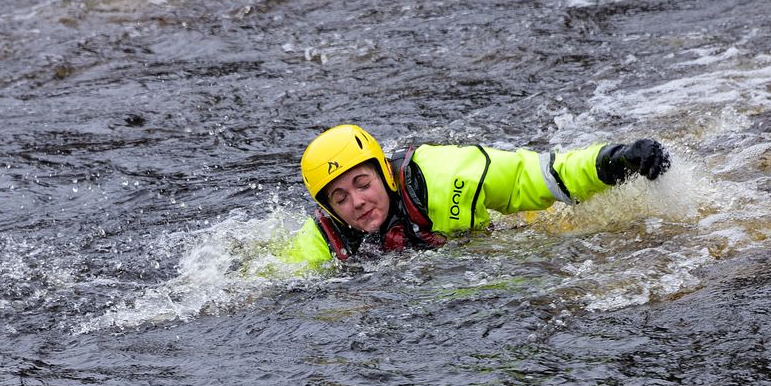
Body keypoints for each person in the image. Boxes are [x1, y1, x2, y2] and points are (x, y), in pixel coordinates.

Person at [283, 124, 670, 265]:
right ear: (328, 208)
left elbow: (536, 177)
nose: (358, 202)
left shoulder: (448, 173)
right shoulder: (322, 241)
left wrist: (615, 161)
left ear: (384, 173)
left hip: (498, 243)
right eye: (340, 198)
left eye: (362, 184)